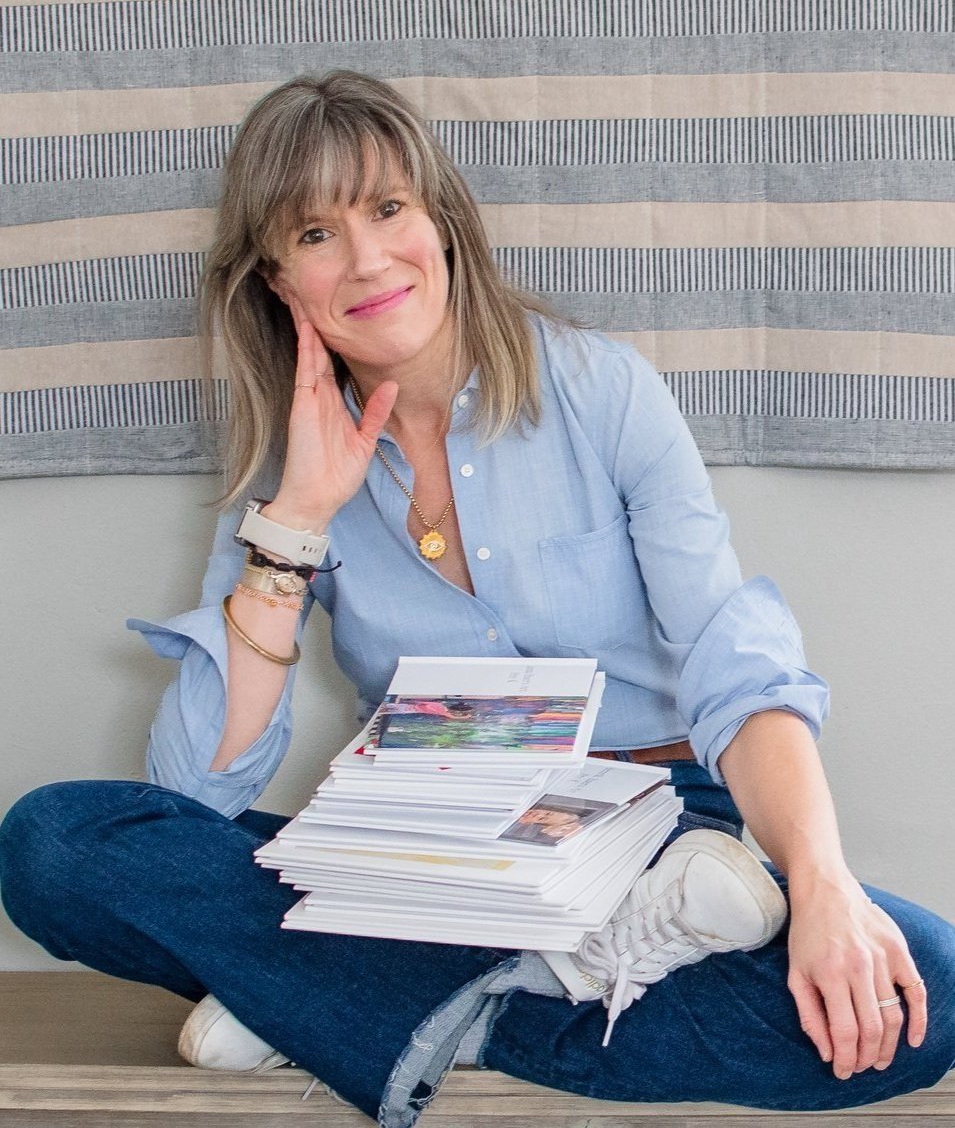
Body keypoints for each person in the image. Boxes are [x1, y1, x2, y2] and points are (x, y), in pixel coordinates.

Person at [1, 71, 954, 1127]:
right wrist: (298, 518)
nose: (365, 258)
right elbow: (196, 795)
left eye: (387, 208)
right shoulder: (289, 478)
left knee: (933, 984)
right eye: (315, 233)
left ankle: (328, 1000)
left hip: (670, 829)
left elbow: (737, 659)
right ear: (277, 280)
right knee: (52, 841)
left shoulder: (603, 390)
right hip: (432, 855)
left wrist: (821, 882)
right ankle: (493, 984)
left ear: (441, 220)